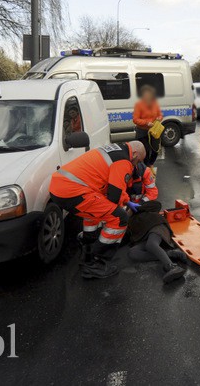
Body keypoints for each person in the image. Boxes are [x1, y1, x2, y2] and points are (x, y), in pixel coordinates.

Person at [48, 141, 146, 279]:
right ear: (135, 154)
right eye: (138, 161)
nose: (136, 165)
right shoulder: (124, 161)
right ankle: (97, 264)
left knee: (94, 211)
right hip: (73, 191)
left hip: (60, 187)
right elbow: (113, 195)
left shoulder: (115, 149)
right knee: (119, 218)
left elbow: (110, 183)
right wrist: (122, 206)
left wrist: (127, 200)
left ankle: (87, 250)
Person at [133, 86, 162, 166]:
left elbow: (160, 115)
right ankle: (146, 166)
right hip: (142, 131)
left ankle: (151, 164)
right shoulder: (138, 105)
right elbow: (135, 119)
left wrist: (159, 118)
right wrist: (146, 123)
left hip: (153, 131)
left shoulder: (155, 104)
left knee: (156, 149)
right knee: (146, 150)